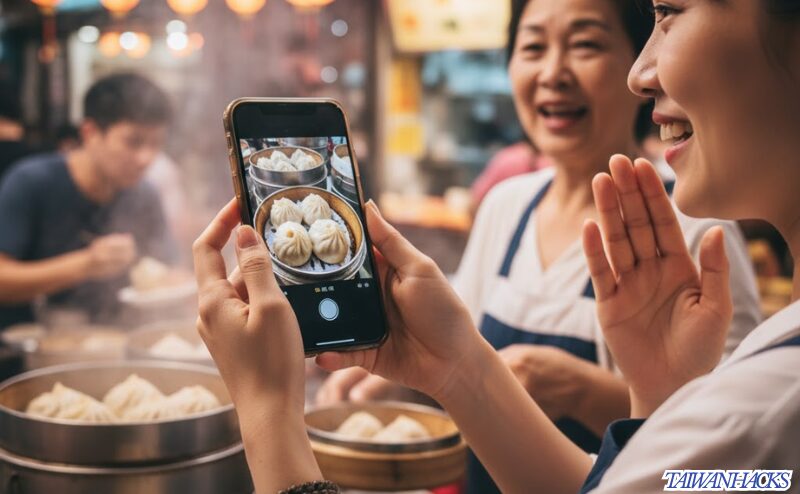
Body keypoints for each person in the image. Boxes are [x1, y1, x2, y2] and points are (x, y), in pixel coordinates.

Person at [192, 0, 800, 492]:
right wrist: (658, 408)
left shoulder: (766, 400)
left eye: (670, 11)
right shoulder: (768, 390)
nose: (643, 73)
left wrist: (267, 408)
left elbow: (743, 467)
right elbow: (680, 484)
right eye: (532, 47)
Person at [0, 73, 175, 329]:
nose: (146, 158)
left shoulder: (145, 194)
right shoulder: (32, 181)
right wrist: (87, 264)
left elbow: (169, 267)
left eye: (156, 143)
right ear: (90, 132)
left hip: (120, 339)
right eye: (133, 142)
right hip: (37, 346)